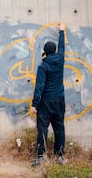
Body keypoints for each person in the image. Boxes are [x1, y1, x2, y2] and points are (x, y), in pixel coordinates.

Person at [30, 23, 65, 166]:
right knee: (59, 128)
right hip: (59, 100)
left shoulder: (43, 66)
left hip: (45, 102)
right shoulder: (60, 59)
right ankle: (60, 156)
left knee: (42, 128)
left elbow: (40, 87)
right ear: (55, 51)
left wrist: (34, 105)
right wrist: (62, 30)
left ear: (45, 52)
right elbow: (63, 47)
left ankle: (40, 157)